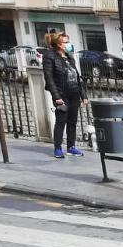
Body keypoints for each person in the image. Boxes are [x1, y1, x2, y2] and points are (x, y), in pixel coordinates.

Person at [42, 32, 87, 160]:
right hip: (62, 94)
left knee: (72, 122)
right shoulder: (49, 56)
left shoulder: (69, 57)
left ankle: (71, 147)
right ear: (58, 44)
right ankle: (57, 148)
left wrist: (83, 94)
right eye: (65, 42)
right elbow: (49, 78)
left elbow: (77, 77)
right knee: (61, 122)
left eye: (68, 41)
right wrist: (56, 97)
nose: (68, 44)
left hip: (74, 93)